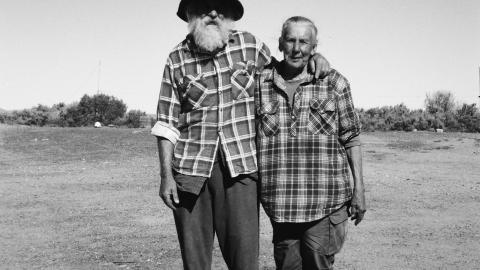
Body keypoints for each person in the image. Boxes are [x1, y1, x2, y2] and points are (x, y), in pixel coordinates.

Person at [151, 1, 330, 269]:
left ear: (228, 15)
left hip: (242, 168)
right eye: (203, 7)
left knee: (245, 260)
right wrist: (166, 176)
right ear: (190, 14)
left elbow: (283, 73)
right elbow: (166, 123)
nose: (212, 14)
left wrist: (315, 58)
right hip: (190, 170)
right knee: (194, 261)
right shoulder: (177, 58)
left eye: (219, 7)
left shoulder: (250, 46)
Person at [255, 16, 366, 270]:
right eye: (291, 40)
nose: (297, 48)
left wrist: (359, 190)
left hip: (325, 204)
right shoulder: (261, 84)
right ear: (280, 43)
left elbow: (352, 138)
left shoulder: (334, 83)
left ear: (314, 46)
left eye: (304, 42)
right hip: (281, 205)